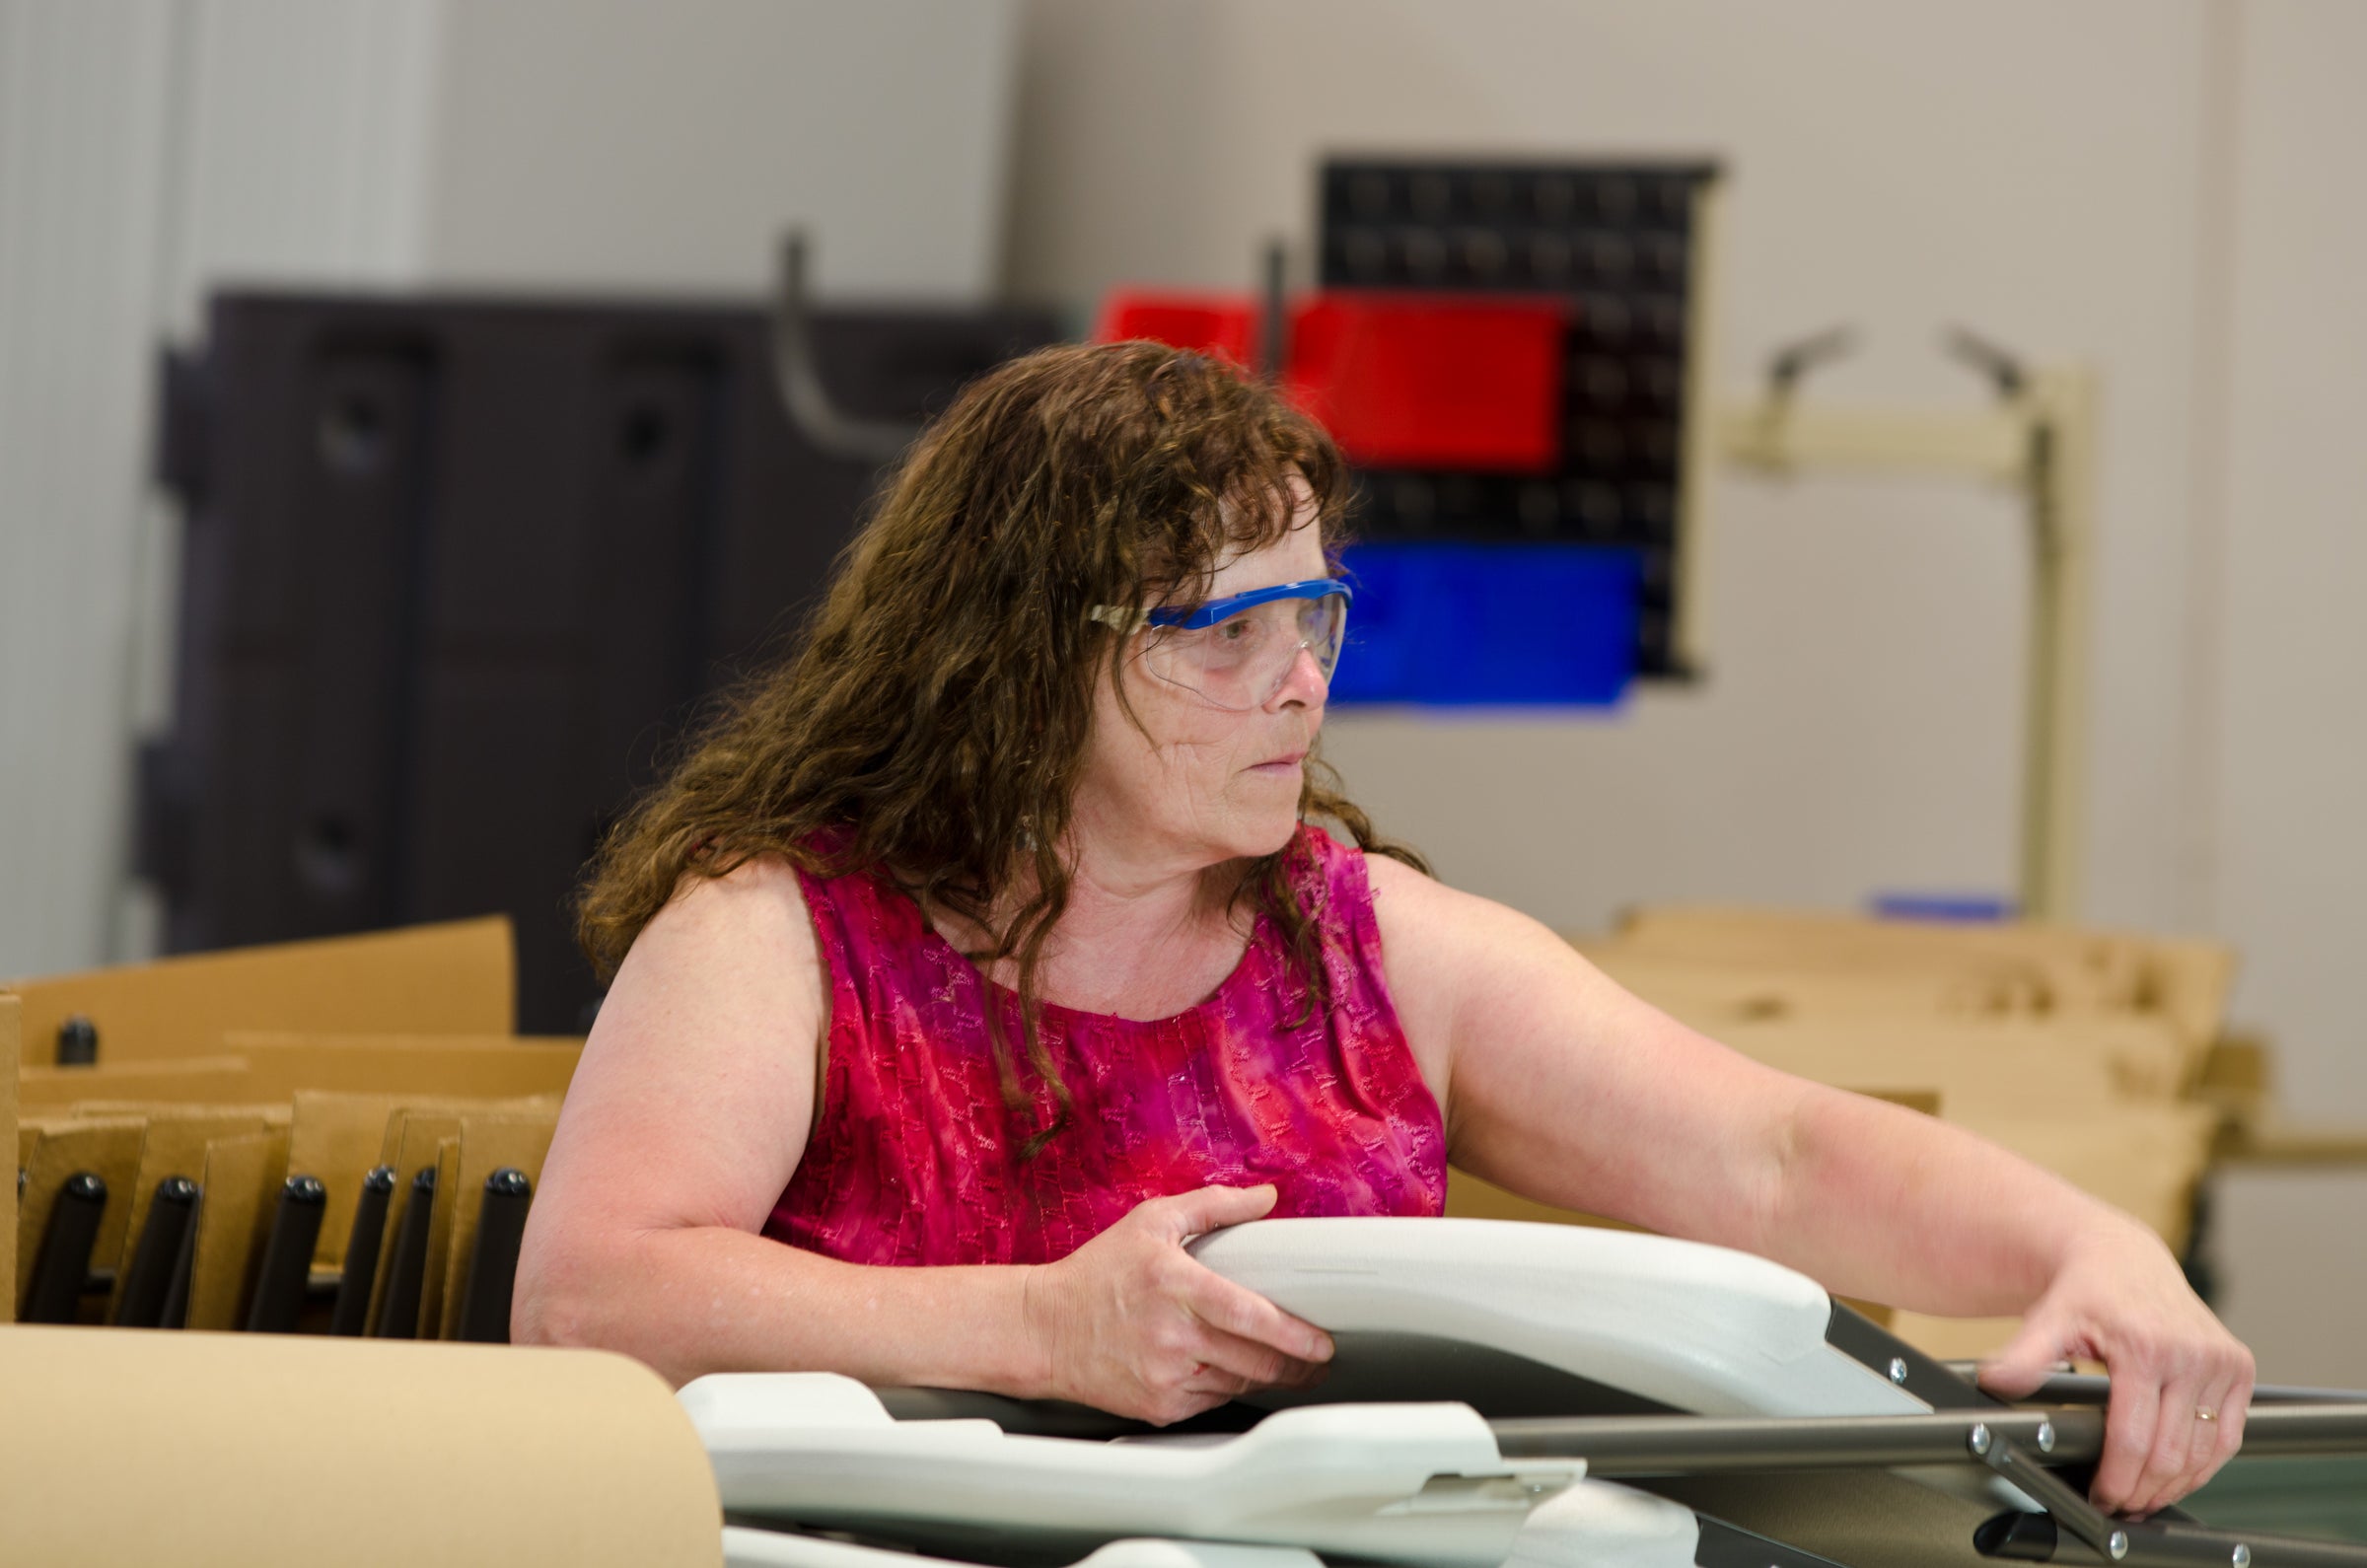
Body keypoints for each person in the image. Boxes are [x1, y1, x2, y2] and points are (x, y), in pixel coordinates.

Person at [513, 341, 2251, 1517]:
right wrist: (1032, 1330)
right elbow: (590, 1301)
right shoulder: (783, 929)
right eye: (1227, 632)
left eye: (1318, 610)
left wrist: (2087, 1248)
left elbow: (1773, 1156)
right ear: (1026, 653)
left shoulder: (1366, 952)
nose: (1303, 684)